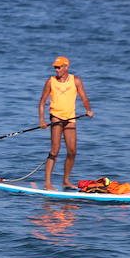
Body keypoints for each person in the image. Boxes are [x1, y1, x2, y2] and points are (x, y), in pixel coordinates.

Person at [38, 56, 93, 190]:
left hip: (70, 118)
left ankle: (65, 181)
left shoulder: (76, 81)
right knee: (55, 150)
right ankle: (47, 183)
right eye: (55, 67)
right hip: (56, 117)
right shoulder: (51, 82)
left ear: (66, 67)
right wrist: (42, 120)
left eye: (59, 67)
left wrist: (88, 110)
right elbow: (42, 102)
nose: (56, 70)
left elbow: (84, 98)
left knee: (72, 151)